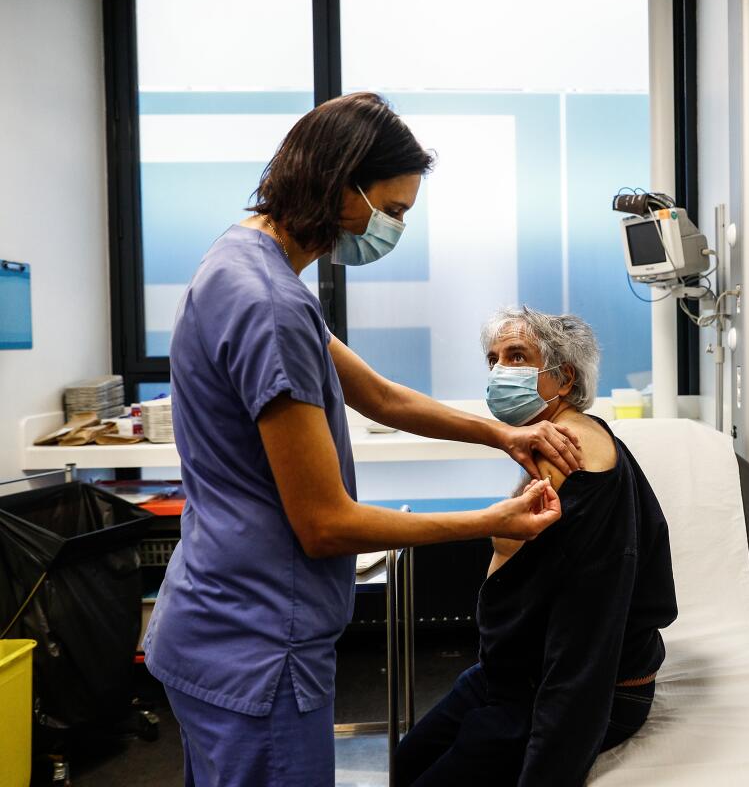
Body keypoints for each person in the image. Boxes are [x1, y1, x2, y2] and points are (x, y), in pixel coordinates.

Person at [142, 93, 583, 787]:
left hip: (209, 622)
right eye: (394, 210)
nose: (394, 229)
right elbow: (324, 525)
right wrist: (490, 522)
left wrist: (499, 434)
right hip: (261, 647)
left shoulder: (240, 264)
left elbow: (378, 396)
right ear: (340, 182)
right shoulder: (271, 305)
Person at [394, 307, 679, 786]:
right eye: (493, 360)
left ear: (564, 378)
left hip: (572, 689)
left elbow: (584, 645)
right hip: (506, 676)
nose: (499, 372)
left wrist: (547, 771)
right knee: (401, 766)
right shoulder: (544, 442)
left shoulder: (578, 464)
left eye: (517, 356)